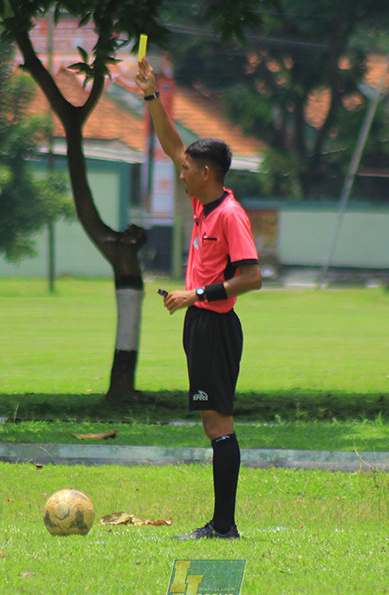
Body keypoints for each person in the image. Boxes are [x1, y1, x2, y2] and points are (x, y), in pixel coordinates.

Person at [136, 59, 263, 540]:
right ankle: (222, 523)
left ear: (206, 173)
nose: (181, 173)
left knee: (219, 424)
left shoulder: (230, 214)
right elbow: (172, 144)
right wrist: (152, 96)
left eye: (187, 170)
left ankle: (224, 525)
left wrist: (196, 294)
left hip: (216, 325)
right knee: (214, 423)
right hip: (200, 323)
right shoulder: (202, 202)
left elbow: (251, 277)